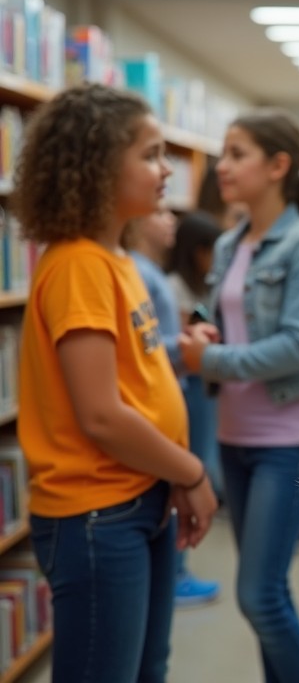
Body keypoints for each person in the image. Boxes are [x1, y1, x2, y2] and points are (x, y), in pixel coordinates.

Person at [13, 83, 217, 682]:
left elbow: (132, 373)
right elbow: (101, 414)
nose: (165, 172)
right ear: (98, 167)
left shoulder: (117, 261)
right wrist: (191, 471)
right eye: (151, 155)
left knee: (145, 668)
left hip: (136, 498)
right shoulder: (79, 266)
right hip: (99, 513)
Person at [178, 108, 299, 683]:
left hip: (285, 441)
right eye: (224, 153)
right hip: (234, 437)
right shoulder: (230, 244)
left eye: (236, 154)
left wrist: (211, 359)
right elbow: (226, 317)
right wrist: (201, 331)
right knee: (267, 593)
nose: (223, 166)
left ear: (277, 166)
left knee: (259, 596)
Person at [130, 209, 223, 608]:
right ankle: (177, 571)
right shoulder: (141, 273)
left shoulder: (148, 270)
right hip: (173, 384)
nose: (168, 219)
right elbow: (146, 349)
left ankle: (178, 569)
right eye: (159, 214)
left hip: (181, 382)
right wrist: (188, 345)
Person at [166, 210, 225, 502]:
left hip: (204, 377)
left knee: (205, 443)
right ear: (198, 252)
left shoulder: (203, 285)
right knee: (196, 445)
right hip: (190, 382)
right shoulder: (174, 287)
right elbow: (183, 334)